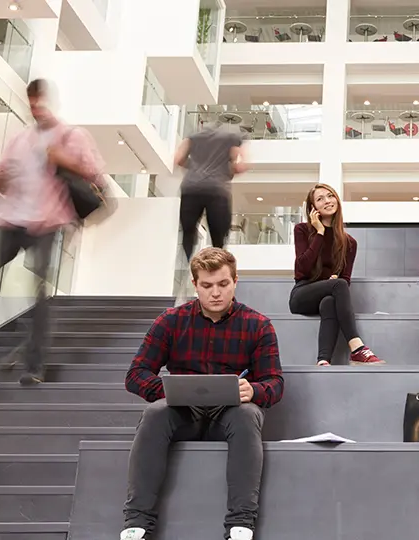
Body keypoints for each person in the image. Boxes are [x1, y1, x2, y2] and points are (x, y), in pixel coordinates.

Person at [121, 247, 283, 540]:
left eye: (223, 284)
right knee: (155, 413)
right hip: (183, 413)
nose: (216, 293)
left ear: (235, 281)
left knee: (247, 416)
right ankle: (137, 526)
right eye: (207, 286)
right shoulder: (170, 321)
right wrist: (169, 391)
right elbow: (135, 375)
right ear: (195, 285)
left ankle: (240, 526)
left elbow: (275, 384)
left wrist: (254, 389)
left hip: (231, 415)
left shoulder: (258, 325)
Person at [0, 78, 104, 385]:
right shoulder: (19, 140)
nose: (36, 106)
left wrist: (61, 158)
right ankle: (8, 343)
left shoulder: (70, 135)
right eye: (32, 101)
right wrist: (2, 177)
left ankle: (33, 365)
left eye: (40, 100)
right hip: (11, 218)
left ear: (49, 101)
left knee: (38, 292)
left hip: (46, 221)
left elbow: (96, 174)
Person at [289, 184, 384, 366]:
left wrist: (333, 282)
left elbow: (345, 279)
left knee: (330, 302)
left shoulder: (349, 243)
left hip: (326, 295)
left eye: (330, 196)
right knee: (338, 285)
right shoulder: (302, 230)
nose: (327, 201)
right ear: (313, 209)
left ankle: (323, 360)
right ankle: (357, 348)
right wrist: (320, 233)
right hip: (302, 294)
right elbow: (302, 269)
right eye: (320, 199)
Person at [176, 122, 246, 262]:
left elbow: (178, 159)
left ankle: (186, 268)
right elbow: (238, 167)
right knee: (218, 240)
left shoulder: (193, 136)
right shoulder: (232, 137)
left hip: (191, 188)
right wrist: (226, 169)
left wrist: (195, 168)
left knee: (188, 233)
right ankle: (217, 269)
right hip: (217, 190)